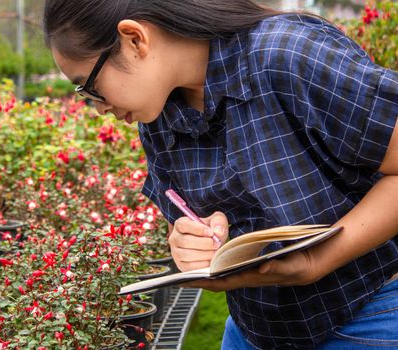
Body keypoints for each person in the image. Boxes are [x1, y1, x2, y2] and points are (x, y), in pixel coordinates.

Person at [43, 0, 398, 348]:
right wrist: (188, 243)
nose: (98, 107)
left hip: (368, 314)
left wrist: (318, 261)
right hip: (254, 329)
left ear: (135, 39)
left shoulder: (287, 55)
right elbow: (181, 218)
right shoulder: (158, 112)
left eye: (89, 87)